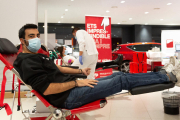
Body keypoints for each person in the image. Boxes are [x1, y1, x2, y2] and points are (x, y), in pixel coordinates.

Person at [14, 24, 180, 110]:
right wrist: (76, 83)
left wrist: (79, 72)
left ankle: (165, 73)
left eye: (37, 35)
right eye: (31, 36)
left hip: (71, 89)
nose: (36, 39)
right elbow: (47, 89)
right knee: (121, 79)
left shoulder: (36, 56)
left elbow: (58, 69)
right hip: (68, 97)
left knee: (117, 76)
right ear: (22, 41)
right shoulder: (27, 61)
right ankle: (168, 76)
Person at [57, 46, 122, 68]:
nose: (66, 50)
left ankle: (115, 62)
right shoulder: (65, 58)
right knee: (100, 64)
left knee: (100, 64)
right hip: (83, 67)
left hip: (83, 65)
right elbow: (74, 62)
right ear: (62, 51)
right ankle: (115, 62)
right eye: (64, 49)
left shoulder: (67, 56)